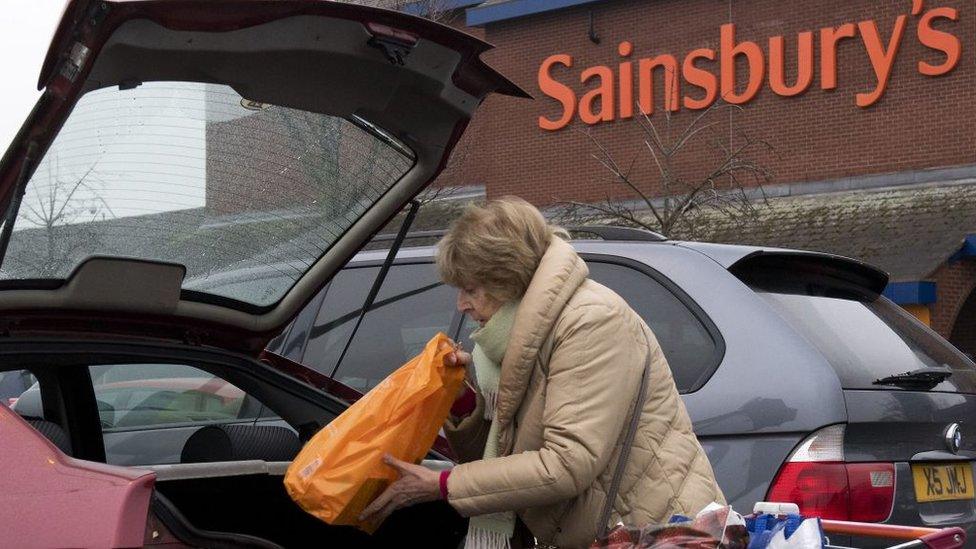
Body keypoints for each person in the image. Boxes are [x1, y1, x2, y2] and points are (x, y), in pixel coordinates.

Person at [360, 197, 724, 548]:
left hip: (656, 533)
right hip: (607, 533)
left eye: (470, 289)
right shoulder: (511, 339)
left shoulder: (590, 321)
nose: (461, 305)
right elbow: (500, 459)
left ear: (507, 278)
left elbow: (567, 463)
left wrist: (442, 484)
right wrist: (463, 399)